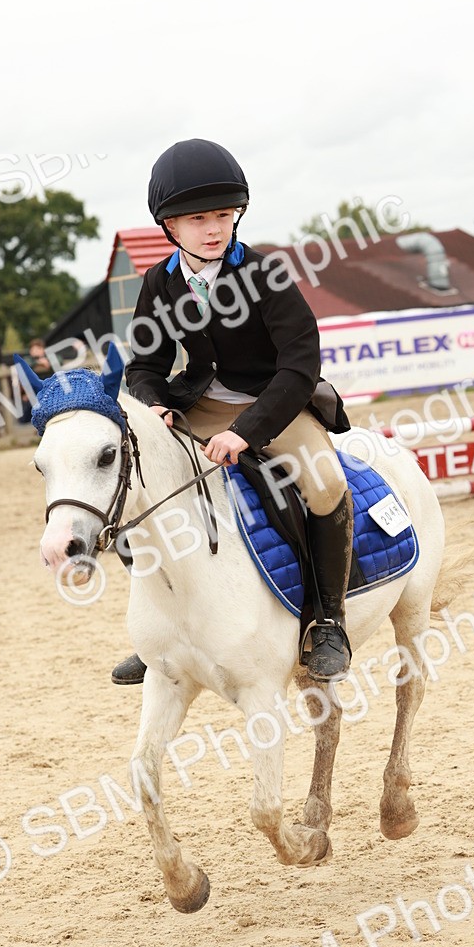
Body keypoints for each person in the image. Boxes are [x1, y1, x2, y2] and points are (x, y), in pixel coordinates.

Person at [112, 137, 353, 686]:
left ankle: (328, 622)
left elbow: (299, 366)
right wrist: (155, 407)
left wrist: (246, 432)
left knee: (326, 484)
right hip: (199, 402)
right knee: (136, 486)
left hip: (275, 402)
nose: (214, 229)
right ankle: (161, 634)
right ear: (169, 226)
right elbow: (146, 364)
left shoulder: (266, 274)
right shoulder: (160, 282)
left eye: (223, 214)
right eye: (197, 219)